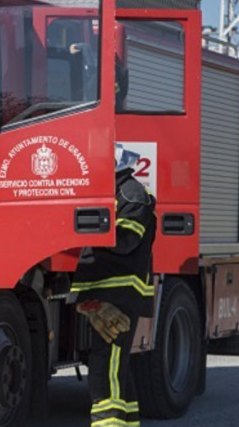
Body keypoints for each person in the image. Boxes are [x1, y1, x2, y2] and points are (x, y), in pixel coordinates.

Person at [71, 144, 156, 426]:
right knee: (117, 365)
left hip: (119, 290)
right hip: (109, 289)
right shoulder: (119, 192)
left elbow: (127, 239)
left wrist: (85, 228)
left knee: (105, 366)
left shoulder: (131, 194)